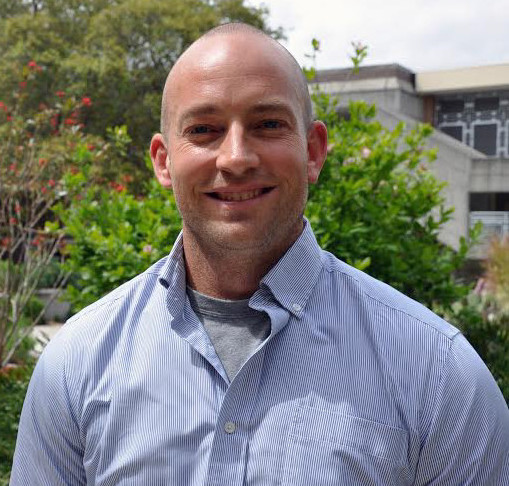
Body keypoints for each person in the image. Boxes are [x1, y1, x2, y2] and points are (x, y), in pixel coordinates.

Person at [11, 23, 509, 485]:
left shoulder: (438, 374)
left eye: (268, 123)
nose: (235, 157)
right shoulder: (76, 363)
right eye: (203, 130)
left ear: (313, 151)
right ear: (164, 162)